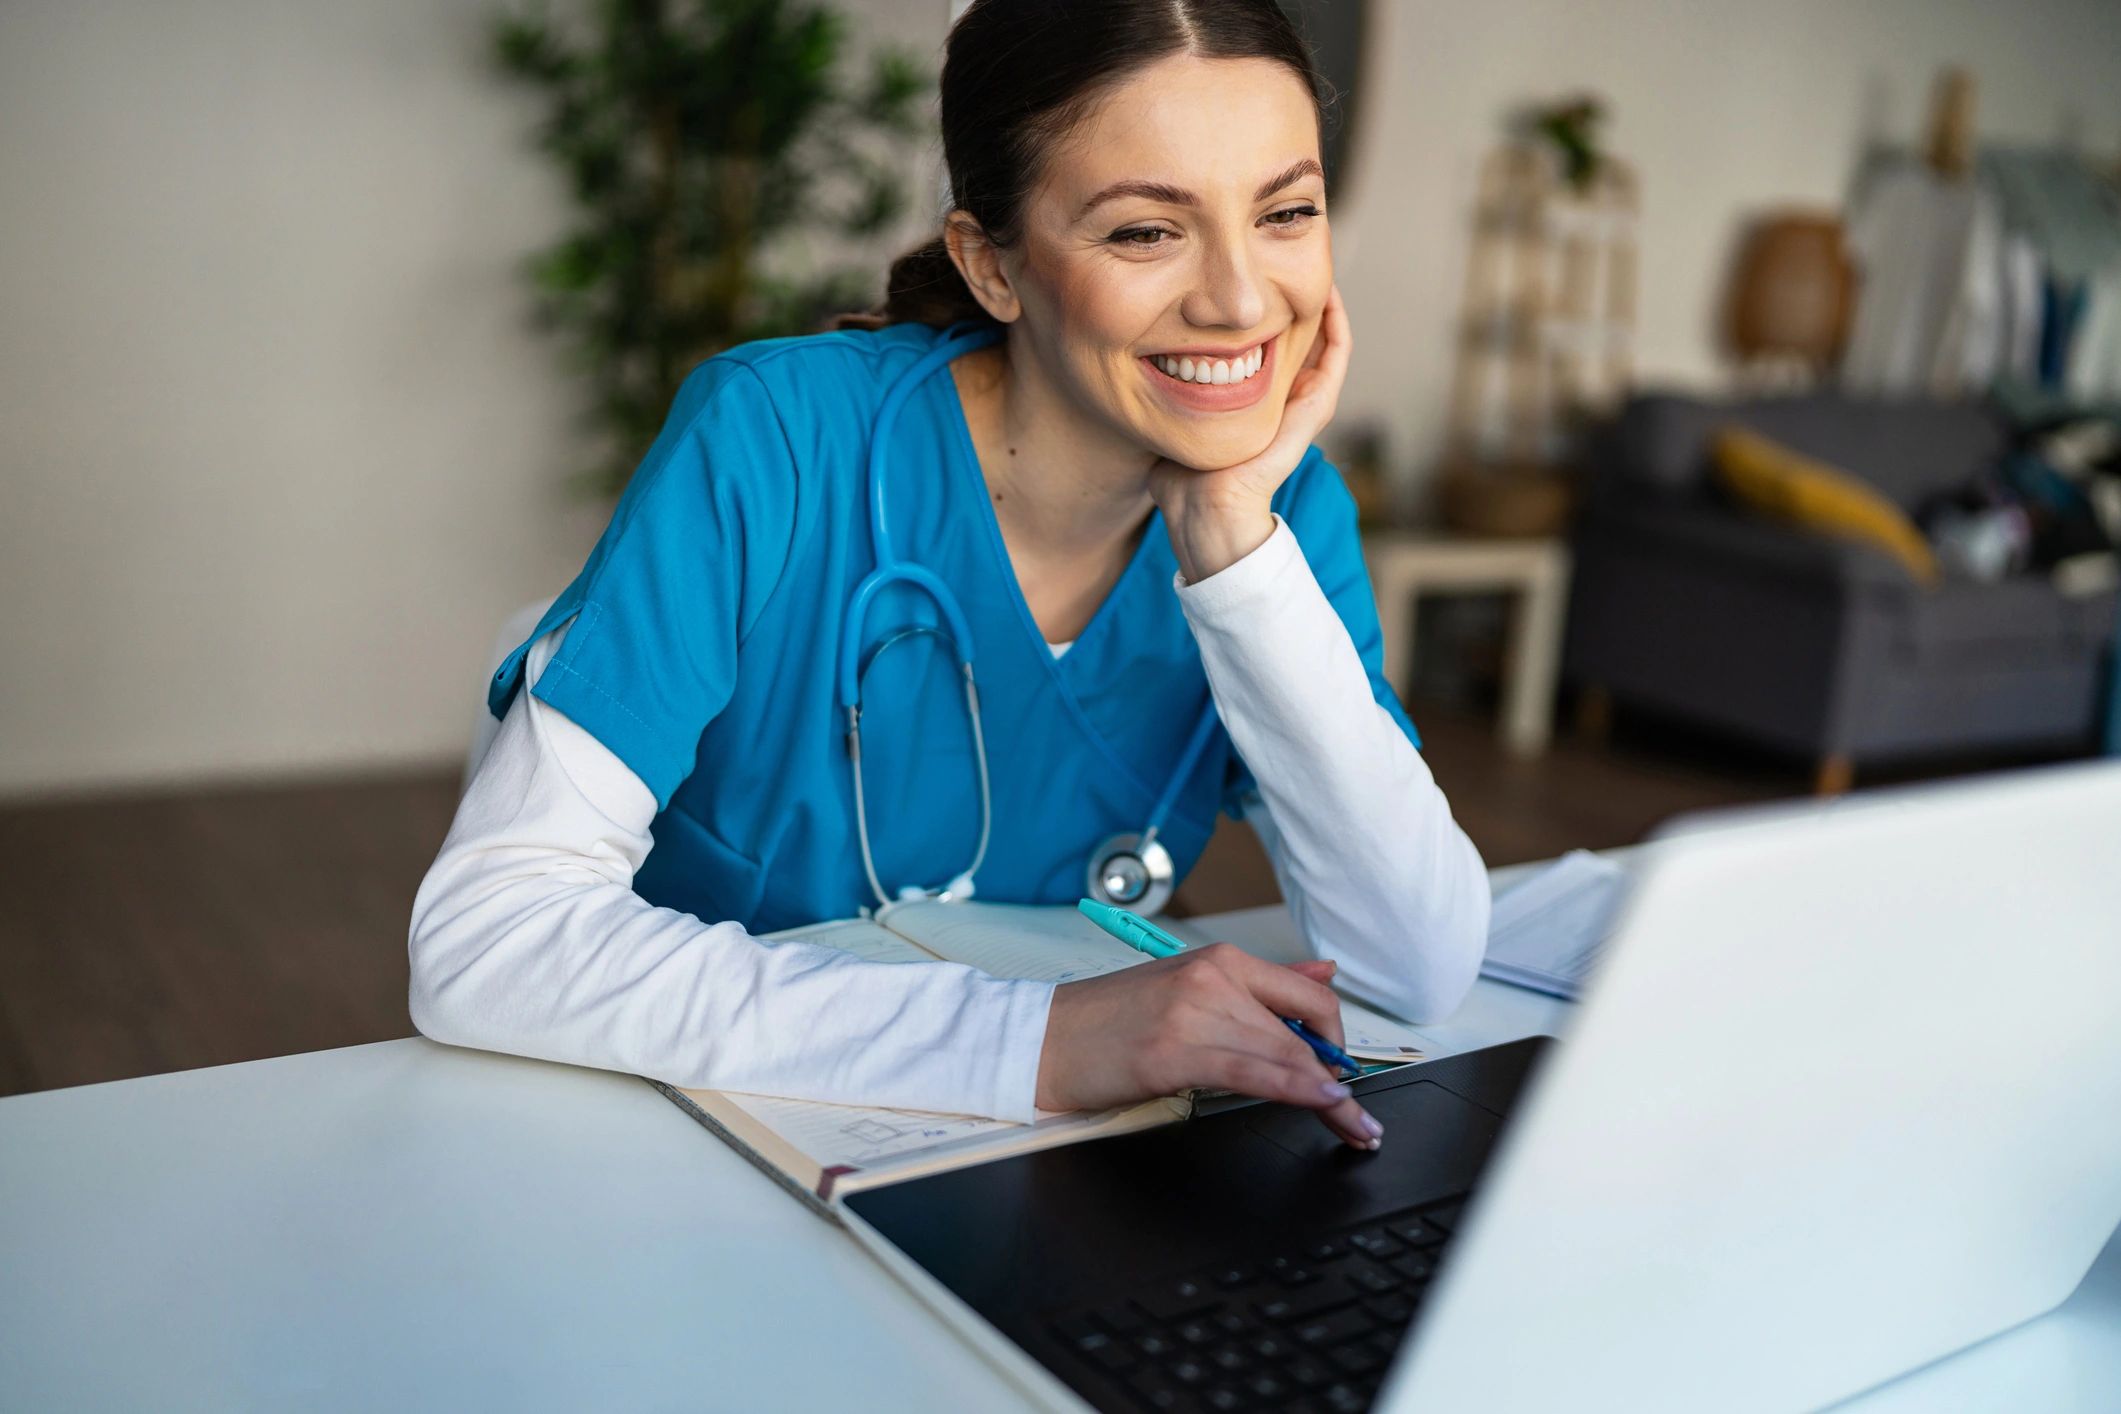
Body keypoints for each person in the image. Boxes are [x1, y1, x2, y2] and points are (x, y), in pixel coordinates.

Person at [409, 0, 1489, 1151]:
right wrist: (1035, 1042)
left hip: (1025, 1166)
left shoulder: (1279, 514)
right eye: (1144, 233)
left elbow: (1414, 964)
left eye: (1285, 212)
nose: (1237, 298)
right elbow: (489, 935)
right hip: (678, 1141)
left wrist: (1233, 544)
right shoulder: (778, 440)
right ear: (993, 264)